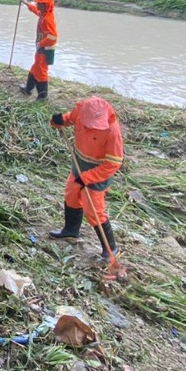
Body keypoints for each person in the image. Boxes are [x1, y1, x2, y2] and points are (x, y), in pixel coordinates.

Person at [48, 96, 124, 256]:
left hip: (97, 173)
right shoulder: (81, 111)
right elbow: (70, 119)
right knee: (71, 195)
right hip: (79, 164)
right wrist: (60, 120)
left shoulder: (112, 131)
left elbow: (113, 163)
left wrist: (88, 178)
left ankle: (110, 249)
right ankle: (70, 230)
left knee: (94, 211)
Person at [18, 0, 57, 100]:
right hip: (41, 47)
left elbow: (53, 37)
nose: (37, 5)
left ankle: (43, 96)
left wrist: (41, 43)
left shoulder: (47, 19)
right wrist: (26, 3)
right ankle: (28, 88)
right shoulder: (43, 14)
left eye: (39, 4)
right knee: (35, 68)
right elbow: (35, 10)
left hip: (45, 49)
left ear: (45, 6)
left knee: (41, 71)